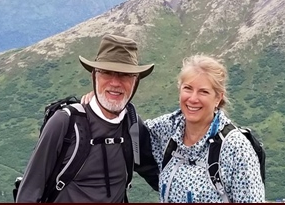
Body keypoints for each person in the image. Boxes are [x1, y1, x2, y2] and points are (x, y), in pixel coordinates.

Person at [81, 54, 265, 202]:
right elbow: (128, 131)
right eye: (188, 88)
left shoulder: (236, 148)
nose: (193, 98)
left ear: (218, 98)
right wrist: (103, 101)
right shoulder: (167, 129)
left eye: (204, 91)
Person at [16, 34, 159, 203]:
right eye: (106, 72)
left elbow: (159, 176)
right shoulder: (65, 122)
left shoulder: (132, 125)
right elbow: (29, 191)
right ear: (94, 76)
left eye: (125, 75)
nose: (115, 82)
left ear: (135, 81)